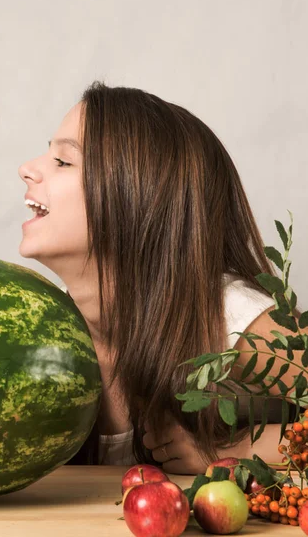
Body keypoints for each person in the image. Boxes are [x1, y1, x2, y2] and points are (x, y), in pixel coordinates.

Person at [19, 83, 299, 474]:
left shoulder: (229, 315)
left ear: (134, 196)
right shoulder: (40, 328)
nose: (27, 169)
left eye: (63, 162)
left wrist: (233, 450)